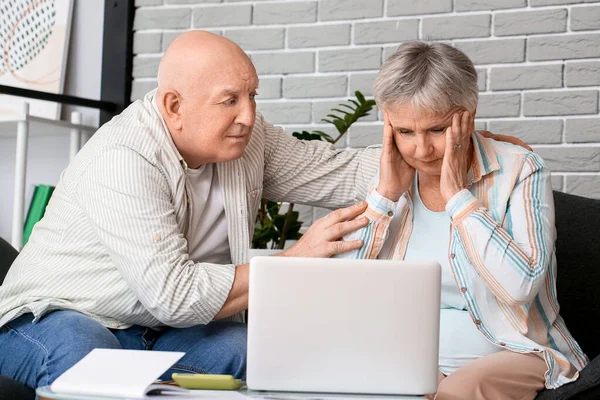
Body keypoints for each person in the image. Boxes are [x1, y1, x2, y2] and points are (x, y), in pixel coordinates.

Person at [0, 30, 524, 390]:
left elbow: (339, 170)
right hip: (53, 314)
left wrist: (452, 146)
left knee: (256, 349)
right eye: (230, 100)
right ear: (174, 107)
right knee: (92, 358)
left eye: (251, 96)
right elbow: (175, 296)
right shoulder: (124, 158)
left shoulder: (245, 142)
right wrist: (293, 261)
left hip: (148, 329)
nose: (248, 116)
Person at [339, 41, 588, 400]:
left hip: (515, 352)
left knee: (460, 390)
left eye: (437, 130)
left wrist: (458, 197)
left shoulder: (520, 169)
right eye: (405, 132)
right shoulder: (390, 175)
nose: (421, 150)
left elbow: (521, 285)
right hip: (414, 356)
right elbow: (341, 291)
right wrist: (384, 199)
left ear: (468, 113)